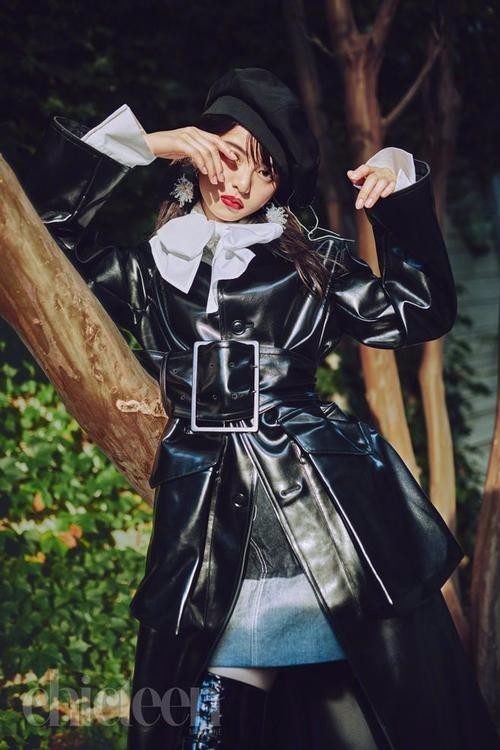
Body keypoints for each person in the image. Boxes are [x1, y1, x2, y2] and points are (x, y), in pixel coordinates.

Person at [22, 67, 500, 750]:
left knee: (373, 720)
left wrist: (398, 181)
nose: (239, 182)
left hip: (327, 524)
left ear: (281, 186)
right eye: (228, 154)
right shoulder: (152, 271)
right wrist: (147, 144)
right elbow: (40, 232)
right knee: (203, 721)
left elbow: (420, 310)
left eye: (265, 170)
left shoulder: (311, 265)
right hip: (207, 531)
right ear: (198, 150)